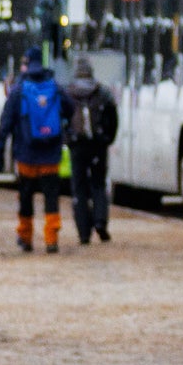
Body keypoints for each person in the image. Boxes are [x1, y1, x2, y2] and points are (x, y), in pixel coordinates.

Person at [0, 50, 75, 252]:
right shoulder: (55, 86)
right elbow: (70, 108)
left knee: (25, 196)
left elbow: (6, 120)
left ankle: (26, 237)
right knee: (51, 196)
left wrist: (0, 147)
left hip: (26, 153)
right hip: (51, 153)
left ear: (27, 64)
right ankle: (51, 239)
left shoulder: (19, 89)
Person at [66, 59, 121, 245]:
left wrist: (68, 140)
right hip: (98, 145)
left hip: (77, 146)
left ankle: (83, 232)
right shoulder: (102, 92)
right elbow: (113, 117)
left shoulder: (68, 93)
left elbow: (61, 118)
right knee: (98, 184)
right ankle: (100, 222)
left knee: (79, 189)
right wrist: (107, 139)